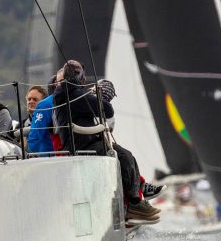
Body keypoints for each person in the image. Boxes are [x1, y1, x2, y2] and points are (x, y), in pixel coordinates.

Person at [53, 60, 158, 225]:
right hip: (81, 146)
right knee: (121, 156)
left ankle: (135, 199)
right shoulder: (70, 95)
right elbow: (107, 109)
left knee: (127, 155)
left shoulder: (69, 94)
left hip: (85, 143)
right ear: (80, 78)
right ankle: (134, 203)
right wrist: (96, 98)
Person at [22, 85, 54, 153]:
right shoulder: (22, 124)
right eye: (29, 99)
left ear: (43, 101)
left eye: (35, 99)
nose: (31, 101)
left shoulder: (50, 120)